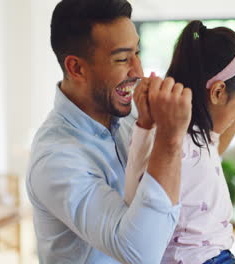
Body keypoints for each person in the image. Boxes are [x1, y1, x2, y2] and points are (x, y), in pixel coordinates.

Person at [25, 0, 192, 263]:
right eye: (123, 58)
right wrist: (168, 139)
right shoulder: (55, 159)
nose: (138, 71)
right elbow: (138, 252)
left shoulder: (132, 118)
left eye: (137, 52)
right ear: (76, 68)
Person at [124, 20, 235, 264]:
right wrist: (145, 125)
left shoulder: (199, 134)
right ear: (218, 92)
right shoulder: (178, 143)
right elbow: (137, 201)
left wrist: (144, 125)